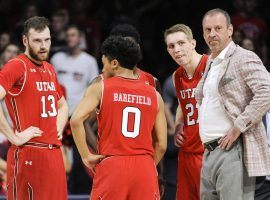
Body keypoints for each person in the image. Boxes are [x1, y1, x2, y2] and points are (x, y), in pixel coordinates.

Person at [70, 36, 167, 199]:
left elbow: (75, 120)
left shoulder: (101, 88)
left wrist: (86, 156)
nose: (102, 69)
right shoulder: (155, 95)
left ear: (114, 63)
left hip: (113, 164)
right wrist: (149, 166)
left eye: (103, 63)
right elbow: (162, 145)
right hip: (145, 167)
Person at [196, 8, 270, 200]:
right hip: (208, 152)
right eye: (207, 30)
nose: (212, 34)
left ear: (230, 30)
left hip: (233, 151)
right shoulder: (210, 63)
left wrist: (238, 126)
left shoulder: (243, 57)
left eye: (218, 28)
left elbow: (267, 91)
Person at [0, 16, 69, 199]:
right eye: (37, 41)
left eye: (47, 39)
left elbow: (62, 105)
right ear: (25, 41)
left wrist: (58, 128)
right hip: (28, 151)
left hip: (53, 153)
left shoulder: (48, 68)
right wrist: (13, 137)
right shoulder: (17, 65)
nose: (43, 45)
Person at [164, 24, 208, 200]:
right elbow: (183, 105)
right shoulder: (177, 76)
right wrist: (178, 125)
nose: (177, 49)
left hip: (209, 152)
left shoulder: (211, 66)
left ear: (193, 43)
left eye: (181, 43)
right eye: (171, 46)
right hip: (186, 152)